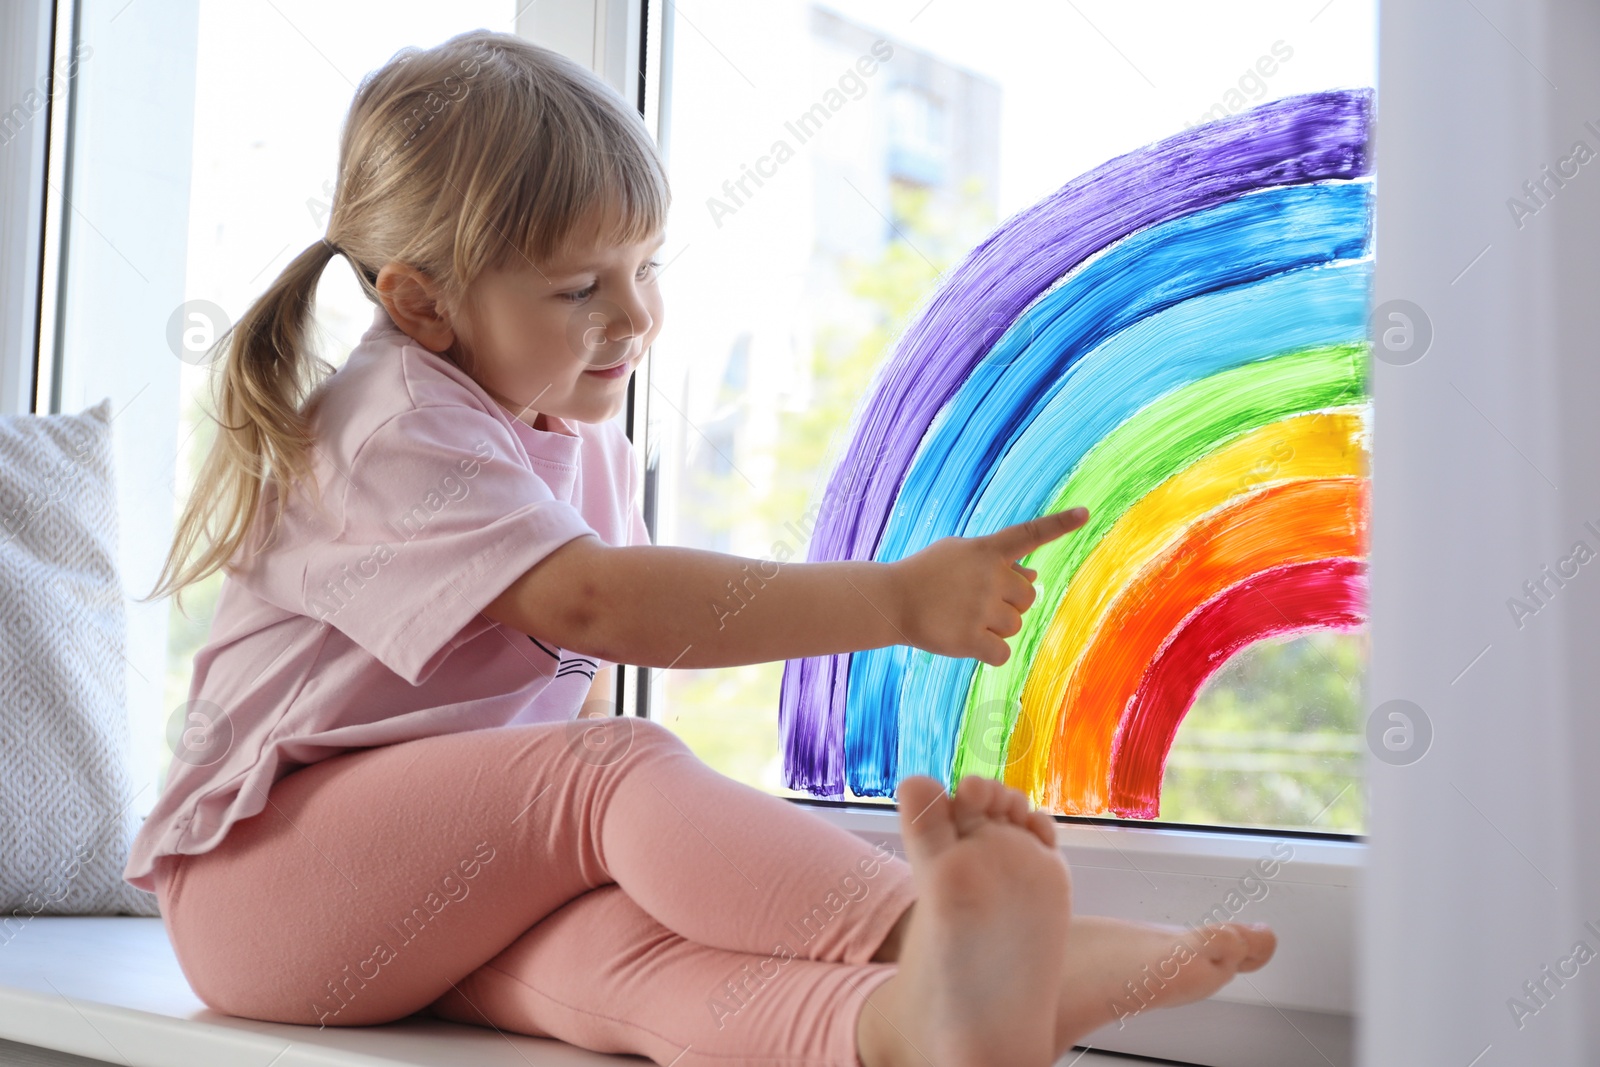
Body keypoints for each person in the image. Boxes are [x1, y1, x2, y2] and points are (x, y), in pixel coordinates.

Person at [128, 29, 1274, 1067]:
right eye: (580, 287)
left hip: (390, 904)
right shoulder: (394, 419)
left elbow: (554, 699)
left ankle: (911, 1020)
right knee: (611, 774)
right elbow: (595, 610)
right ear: (421, 305)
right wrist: (894, 601)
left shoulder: (565, 440)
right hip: (261, 885)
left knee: (621, 953)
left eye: (647, 266)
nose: (634, 317)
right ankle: (948, 936)